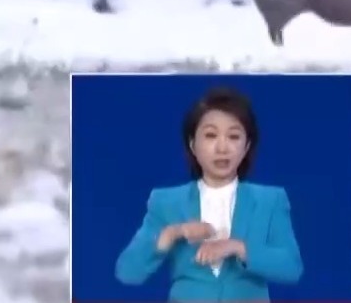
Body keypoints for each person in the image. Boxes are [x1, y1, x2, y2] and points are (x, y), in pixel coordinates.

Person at [112, 85, 305, 300]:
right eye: (211, 135)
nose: (222, 148)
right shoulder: (166, 202)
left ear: (247, 146)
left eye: (234, 136)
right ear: (193, 145)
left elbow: (291, 267)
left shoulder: (270, 200)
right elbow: (128, 272)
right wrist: (174, 233)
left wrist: (237, 247)